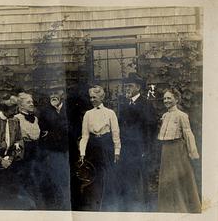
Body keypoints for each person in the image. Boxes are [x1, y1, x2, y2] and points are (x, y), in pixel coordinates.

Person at [118, 72, 157, 211]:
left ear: (138, 88)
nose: (126, 88)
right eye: (126, 86)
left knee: (142, 179)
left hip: (140, 148)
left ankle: (144, 208)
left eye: (130, 86)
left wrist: (147, 149)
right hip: (126, 148)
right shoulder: (123, 104)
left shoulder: (146, 105)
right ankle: (128, 207)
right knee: (127, 176)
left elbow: (151, 129)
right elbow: (120, 127)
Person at [157, 88, 201, 213]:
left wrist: (193, 153)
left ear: (176, 99)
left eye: (169, 98)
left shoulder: (182, 116)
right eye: (165, 98)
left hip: (177, 150)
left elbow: (188, 134)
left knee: (177, 179)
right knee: (167, 179)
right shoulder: (164, 116)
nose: (166, 100)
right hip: (166, 150)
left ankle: (182, 208)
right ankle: (168, 208)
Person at [78, 85, 121, 211]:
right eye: (90, 97)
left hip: (106, 145)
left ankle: (110, 205)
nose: (92, 100)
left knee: (108, 176)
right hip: (93, 147)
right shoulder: (88, 114)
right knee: (94, 177)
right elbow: (85, 135)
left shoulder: (110, 113)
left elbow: (115, 133)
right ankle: (95, 206)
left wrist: (117, 151)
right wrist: (82, 153)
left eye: (94, 97)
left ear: (101, 97)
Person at [38, 84, 71, 210]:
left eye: (56, 93)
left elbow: (71, 129)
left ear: (62, 94)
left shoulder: (69, 109)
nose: (53, 96)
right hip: (53, 152)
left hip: (68, 150)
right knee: (55, 177)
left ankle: (67, 203)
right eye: (51, 94)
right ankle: (58, 205)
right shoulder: (45, 112)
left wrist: (52, 133)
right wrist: (58, 133)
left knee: (67, 178)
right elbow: (42, 132)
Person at [14, 92, 43, 209]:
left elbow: (36, 135)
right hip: (24, 151)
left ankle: (37, 204)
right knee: (26, 176)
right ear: (21, 106)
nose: (32, 104)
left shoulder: (35, 119)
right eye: (28, 102)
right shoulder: (16, 119)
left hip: (36, 150)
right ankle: (27, 205)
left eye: (32, 102)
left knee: (37, 176)